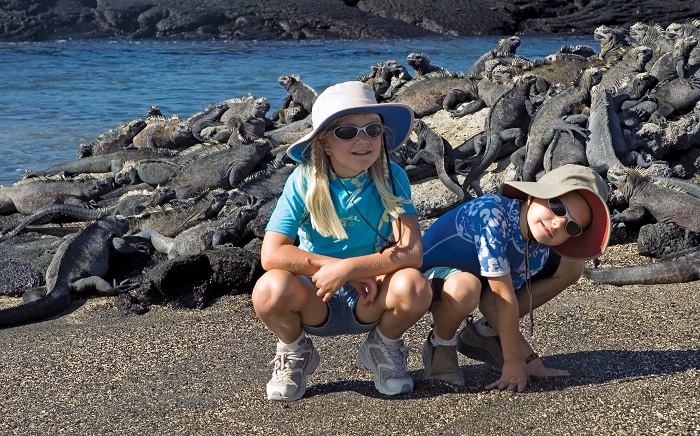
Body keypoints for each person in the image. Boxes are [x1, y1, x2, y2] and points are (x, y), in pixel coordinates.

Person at [251, 81, 432, 401]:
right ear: (324, 143)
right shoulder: (304, 180)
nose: (363, 140)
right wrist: (338, 268)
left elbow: (412, 251)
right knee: (268, 290)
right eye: (347, 132)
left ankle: (383, 345)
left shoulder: (392, 177)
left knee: (415, 286)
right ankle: (295, 349)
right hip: (315, 295)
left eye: (372, 130)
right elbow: (272, 254)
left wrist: (351, 270)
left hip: (370, 296)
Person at [419, 164, 610, 391]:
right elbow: (502, 296)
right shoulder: (492, 215)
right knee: (466, 287)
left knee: (572, 265)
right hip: (426, 280)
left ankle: (485, 334)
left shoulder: (537, 249)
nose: (559, 223)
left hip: (474, 282)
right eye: (558, 207)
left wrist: (530, 361)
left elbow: (493, 303)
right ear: (533, 195)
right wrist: (515, 361)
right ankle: (440, 343)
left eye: (572, 227)